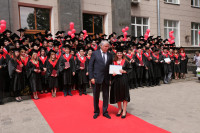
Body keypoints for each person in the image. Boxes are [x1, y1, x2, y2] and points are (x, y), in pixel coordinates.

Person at [89, 40, 113, 119]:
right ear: (101, 46)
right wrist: (91, 77)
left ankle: (105, 111)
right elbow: (90, 66)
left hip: (106, 78)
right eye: (105, 46)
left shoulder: (110, 55)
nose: (107, 48)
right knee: (96, 95)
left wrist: (110, 78)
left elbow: (110, 66)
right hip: (96, 78)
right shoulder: (95, 53)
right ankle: (96, 111)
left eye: (108, 46)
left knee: (106, 95)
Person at [110, 46, 130, 119]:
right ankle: (119, 109)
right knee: (118, 94)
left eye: (120, 53)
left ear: (122, 54)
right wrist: (112, 74)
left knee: (124, 94)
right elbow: (110, 71)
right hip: (116, 80)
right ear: (116, 54)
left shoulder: (126, 61)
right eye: (118, 53)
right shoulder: (113, 62)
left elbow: (130, 70)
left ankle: (124, 110)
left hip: (123, 79)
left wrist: (124, 71)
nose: (119, 54)